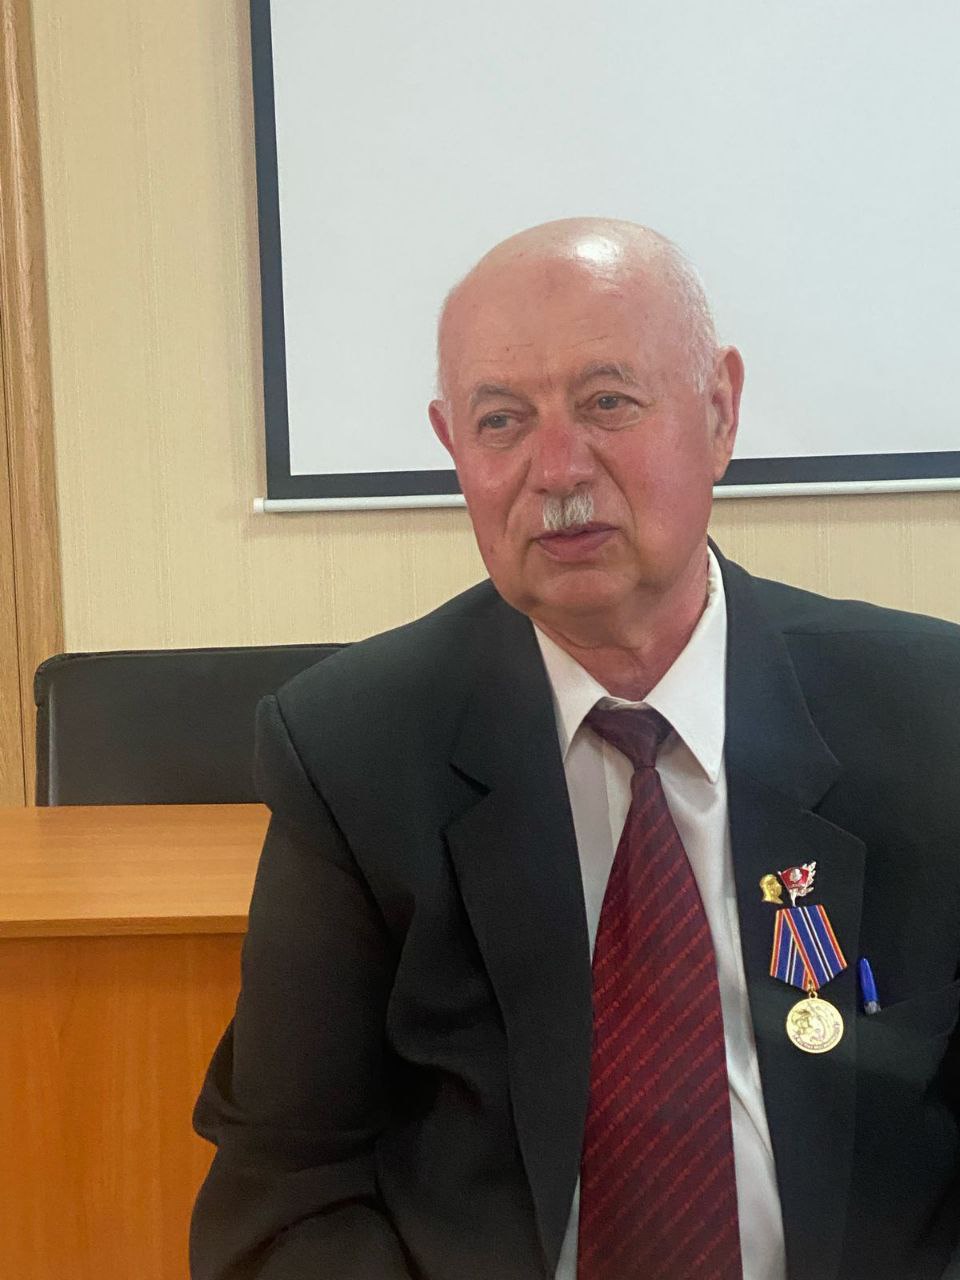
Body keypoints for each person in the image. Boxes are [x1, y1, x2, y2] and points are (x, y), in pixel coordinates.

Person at [190, 219, 960, 1280]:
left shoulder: (930, 715)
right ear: (453, 446)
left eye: (608, 402)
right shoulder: (354, 751)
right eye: (501, 420)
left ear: (720, 411)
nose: (556, 469)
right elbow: (288, 1190)